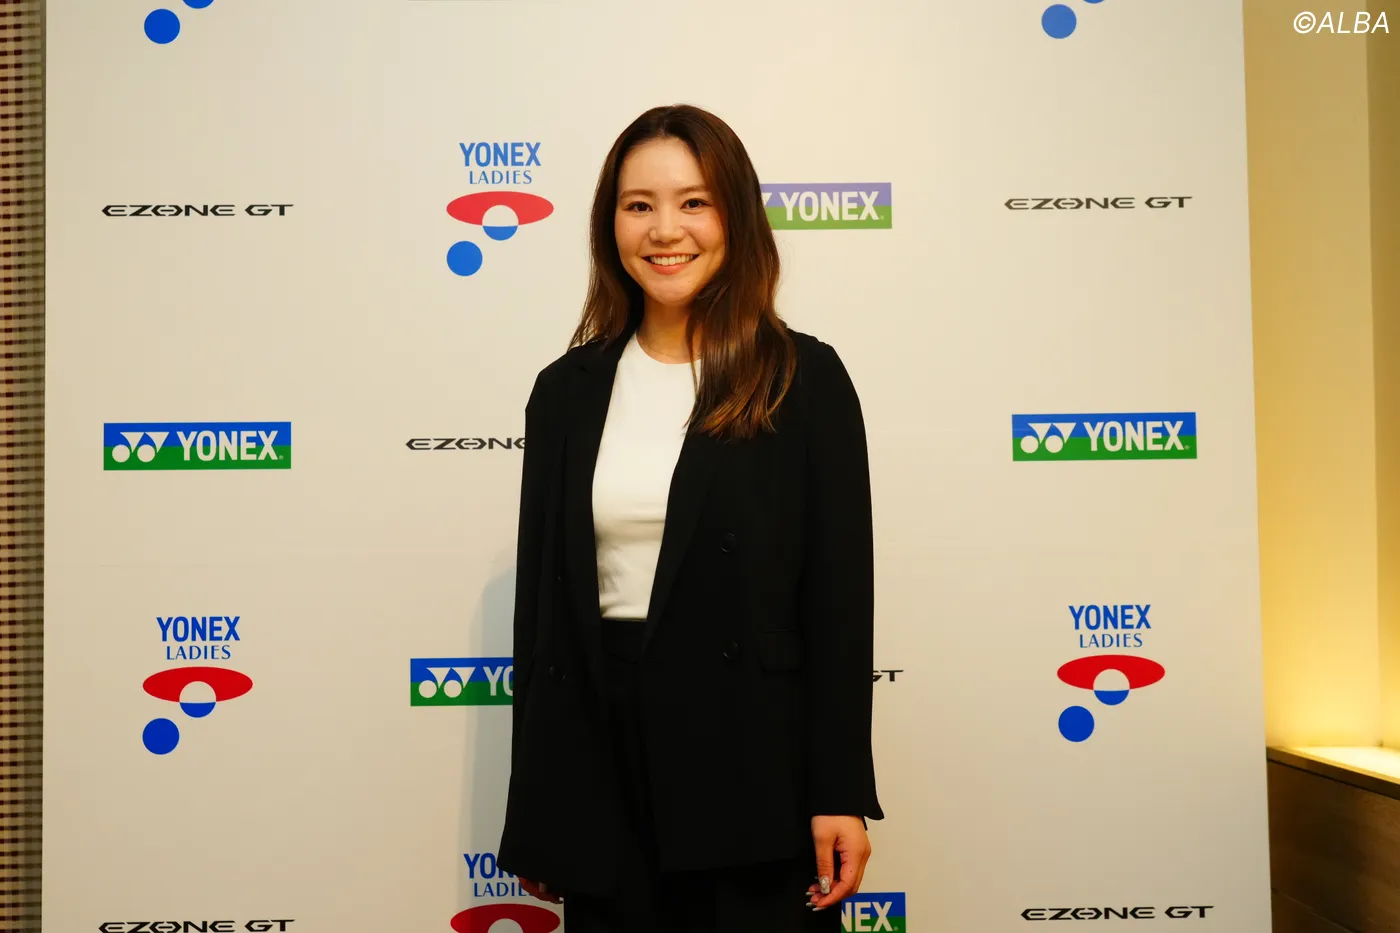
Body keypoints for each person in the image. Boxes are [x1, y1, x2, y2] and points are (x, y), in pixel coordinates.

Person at [496, 103, 883, 933]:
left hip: (754, 773)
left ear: (735, 215)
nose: (664, 230)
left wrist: (840, 789)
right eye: (639, 204)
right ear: (610, 224)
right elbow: (544, 619)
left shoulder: (802, 379)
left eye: (693, 202)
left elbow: (839, 604)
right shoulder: (564, 392)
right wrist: (539, 807)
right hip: (604, 777)